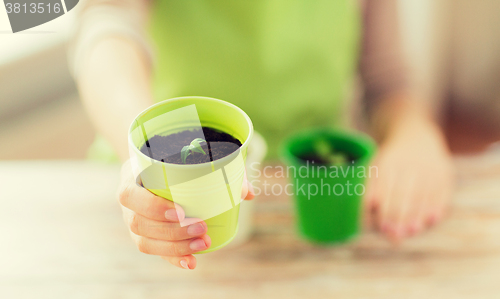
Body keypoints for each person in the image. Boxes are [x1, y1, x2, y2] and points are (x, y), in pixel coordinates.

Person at [70, 0, 454, 270]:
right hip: (158, 190)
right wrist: (142, 153)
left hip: (307, 188)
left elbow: (388, 81)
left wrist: (414, 132)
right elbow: (108, 21)